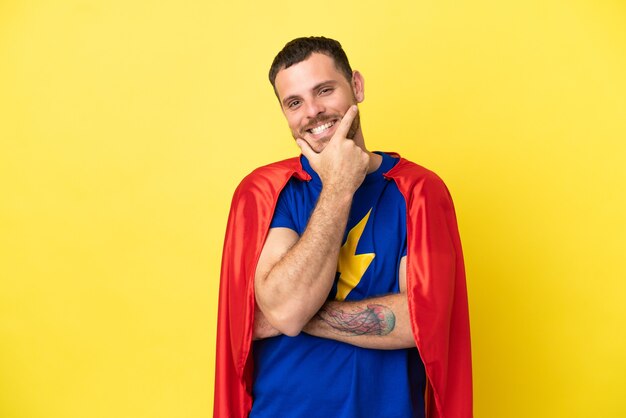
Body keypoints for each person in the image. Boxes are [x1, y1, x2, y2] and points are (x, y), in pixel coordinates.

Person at [214, 37, 472, 418]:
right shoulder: (268, 192)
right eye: (294, 102)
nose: (313, 112)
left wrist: (295, 315)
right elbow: (285, 310)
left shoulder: (418, 191)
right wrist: (337, 187)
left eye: (325, 90)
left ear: (357, 86)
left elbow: (420, 324)